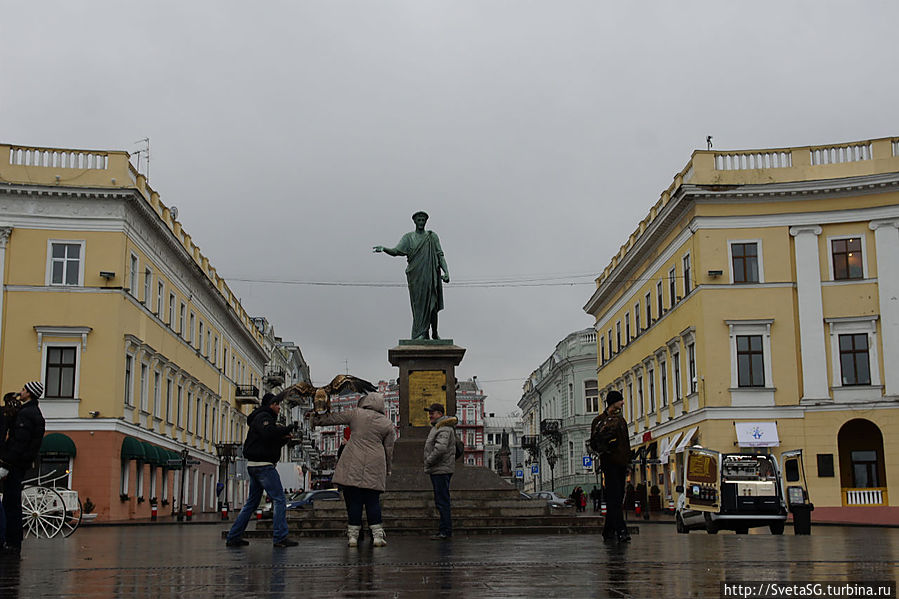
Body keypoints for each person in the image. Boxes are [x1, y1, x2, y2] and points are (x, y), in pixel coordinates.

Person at [312, 392, 395, 547]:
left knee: (355, 501)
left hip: (353, 459)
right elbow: (389, 449)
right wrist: (388, 469)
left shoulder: (356, 414)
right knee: (373, 501)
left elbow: (334, 418)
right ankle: (377, 536)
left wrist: (316, 419)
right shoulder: (387, 423)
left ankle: (352, 537)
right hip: (375, 461)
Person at [226, 393, 298, 548]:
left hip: (255, 465)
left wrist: (284, 438)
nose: (279, 407)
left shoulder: (262, 419)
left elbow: (269, 441)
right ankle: (280, 537)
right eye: (277, 404)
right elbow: (268, 433)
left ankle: (234, 536)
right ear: (271, 404)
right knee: (279, 499)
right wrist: (285, 429)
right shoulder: (264, 417)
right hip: (263, 466)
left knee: (251, 503)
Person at [373, 211, 450, 340]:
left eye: (423, 220)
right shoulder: (408, 238)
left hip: (430, 276)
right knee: (419, 307)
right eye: (419, 220)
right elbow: (397, 251)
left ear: (426, 221)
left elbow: (440, 255)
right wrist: (385, 249)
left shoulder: (432, 237)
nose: (421, 222)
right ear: (414, 221)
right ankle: (422, 333)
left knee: (432, 305)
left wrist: (446, 271)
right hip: (416, 277)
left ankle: (434, 332)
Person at [0, 382, 46, 558]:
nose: (21, 391)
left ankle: (11, 543)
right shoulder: (34, 413)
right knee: (12, 503)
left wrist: (5, 464)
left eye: (24, 390)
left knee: (11, 504)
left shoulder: (27, 414)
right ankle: (12, 542)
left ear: (30, 394)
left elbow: (18, 443)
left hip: (14, 464)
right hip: (20, 464)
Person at [590, 389, 632, 543]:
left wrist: (628, 461)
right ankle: (621, 530)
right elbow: (594, 443)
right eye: (620, 400)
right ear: (614, 402)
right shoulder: (600, 421)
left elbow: (625, 443)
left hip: (620, 463)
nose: (623, 402)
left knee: (617, 497)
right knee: (614, 497)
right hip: (610, 463)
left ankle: (608, 530)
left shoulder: (620, 420)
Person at [423, 403, 457, 540]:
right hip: (440, 468)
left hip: (440, 469)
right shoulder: (439, 426)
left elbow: (441, 449)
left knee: (442, 501)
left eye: (433, 413)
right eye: (429, 413)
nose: (430, 415)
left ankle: (445, 531)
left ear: (440, 414)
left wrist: (429, 461)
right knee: (441, 500)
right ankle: (444, 529)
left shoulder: (443, 428)